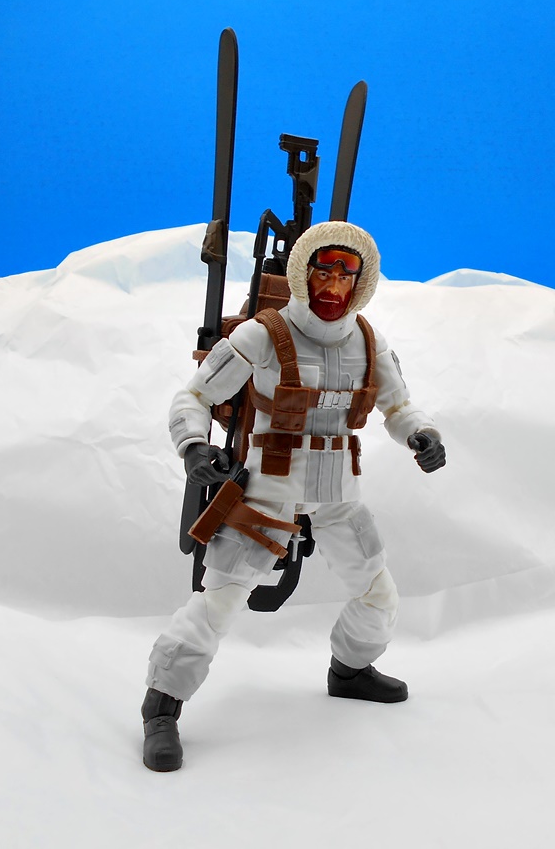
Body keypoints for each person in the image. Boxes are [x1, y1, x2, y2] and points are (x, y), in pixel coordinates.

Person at [141, 221, 446, 772]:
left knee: (378, 593)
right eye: (323, 272)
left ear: (361, 282)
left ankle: (350, 671)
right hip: (268, 491)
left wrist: (422, 434)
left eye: (345, 275)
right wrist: (193, 446)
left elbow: (399, 407)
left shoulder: (370, 342)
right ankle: (161, 706)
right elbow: (194, 397)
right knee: (218, 601)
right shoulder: (261, 335)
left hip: (338, 492)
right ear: (303, 274)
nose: (333, 287)